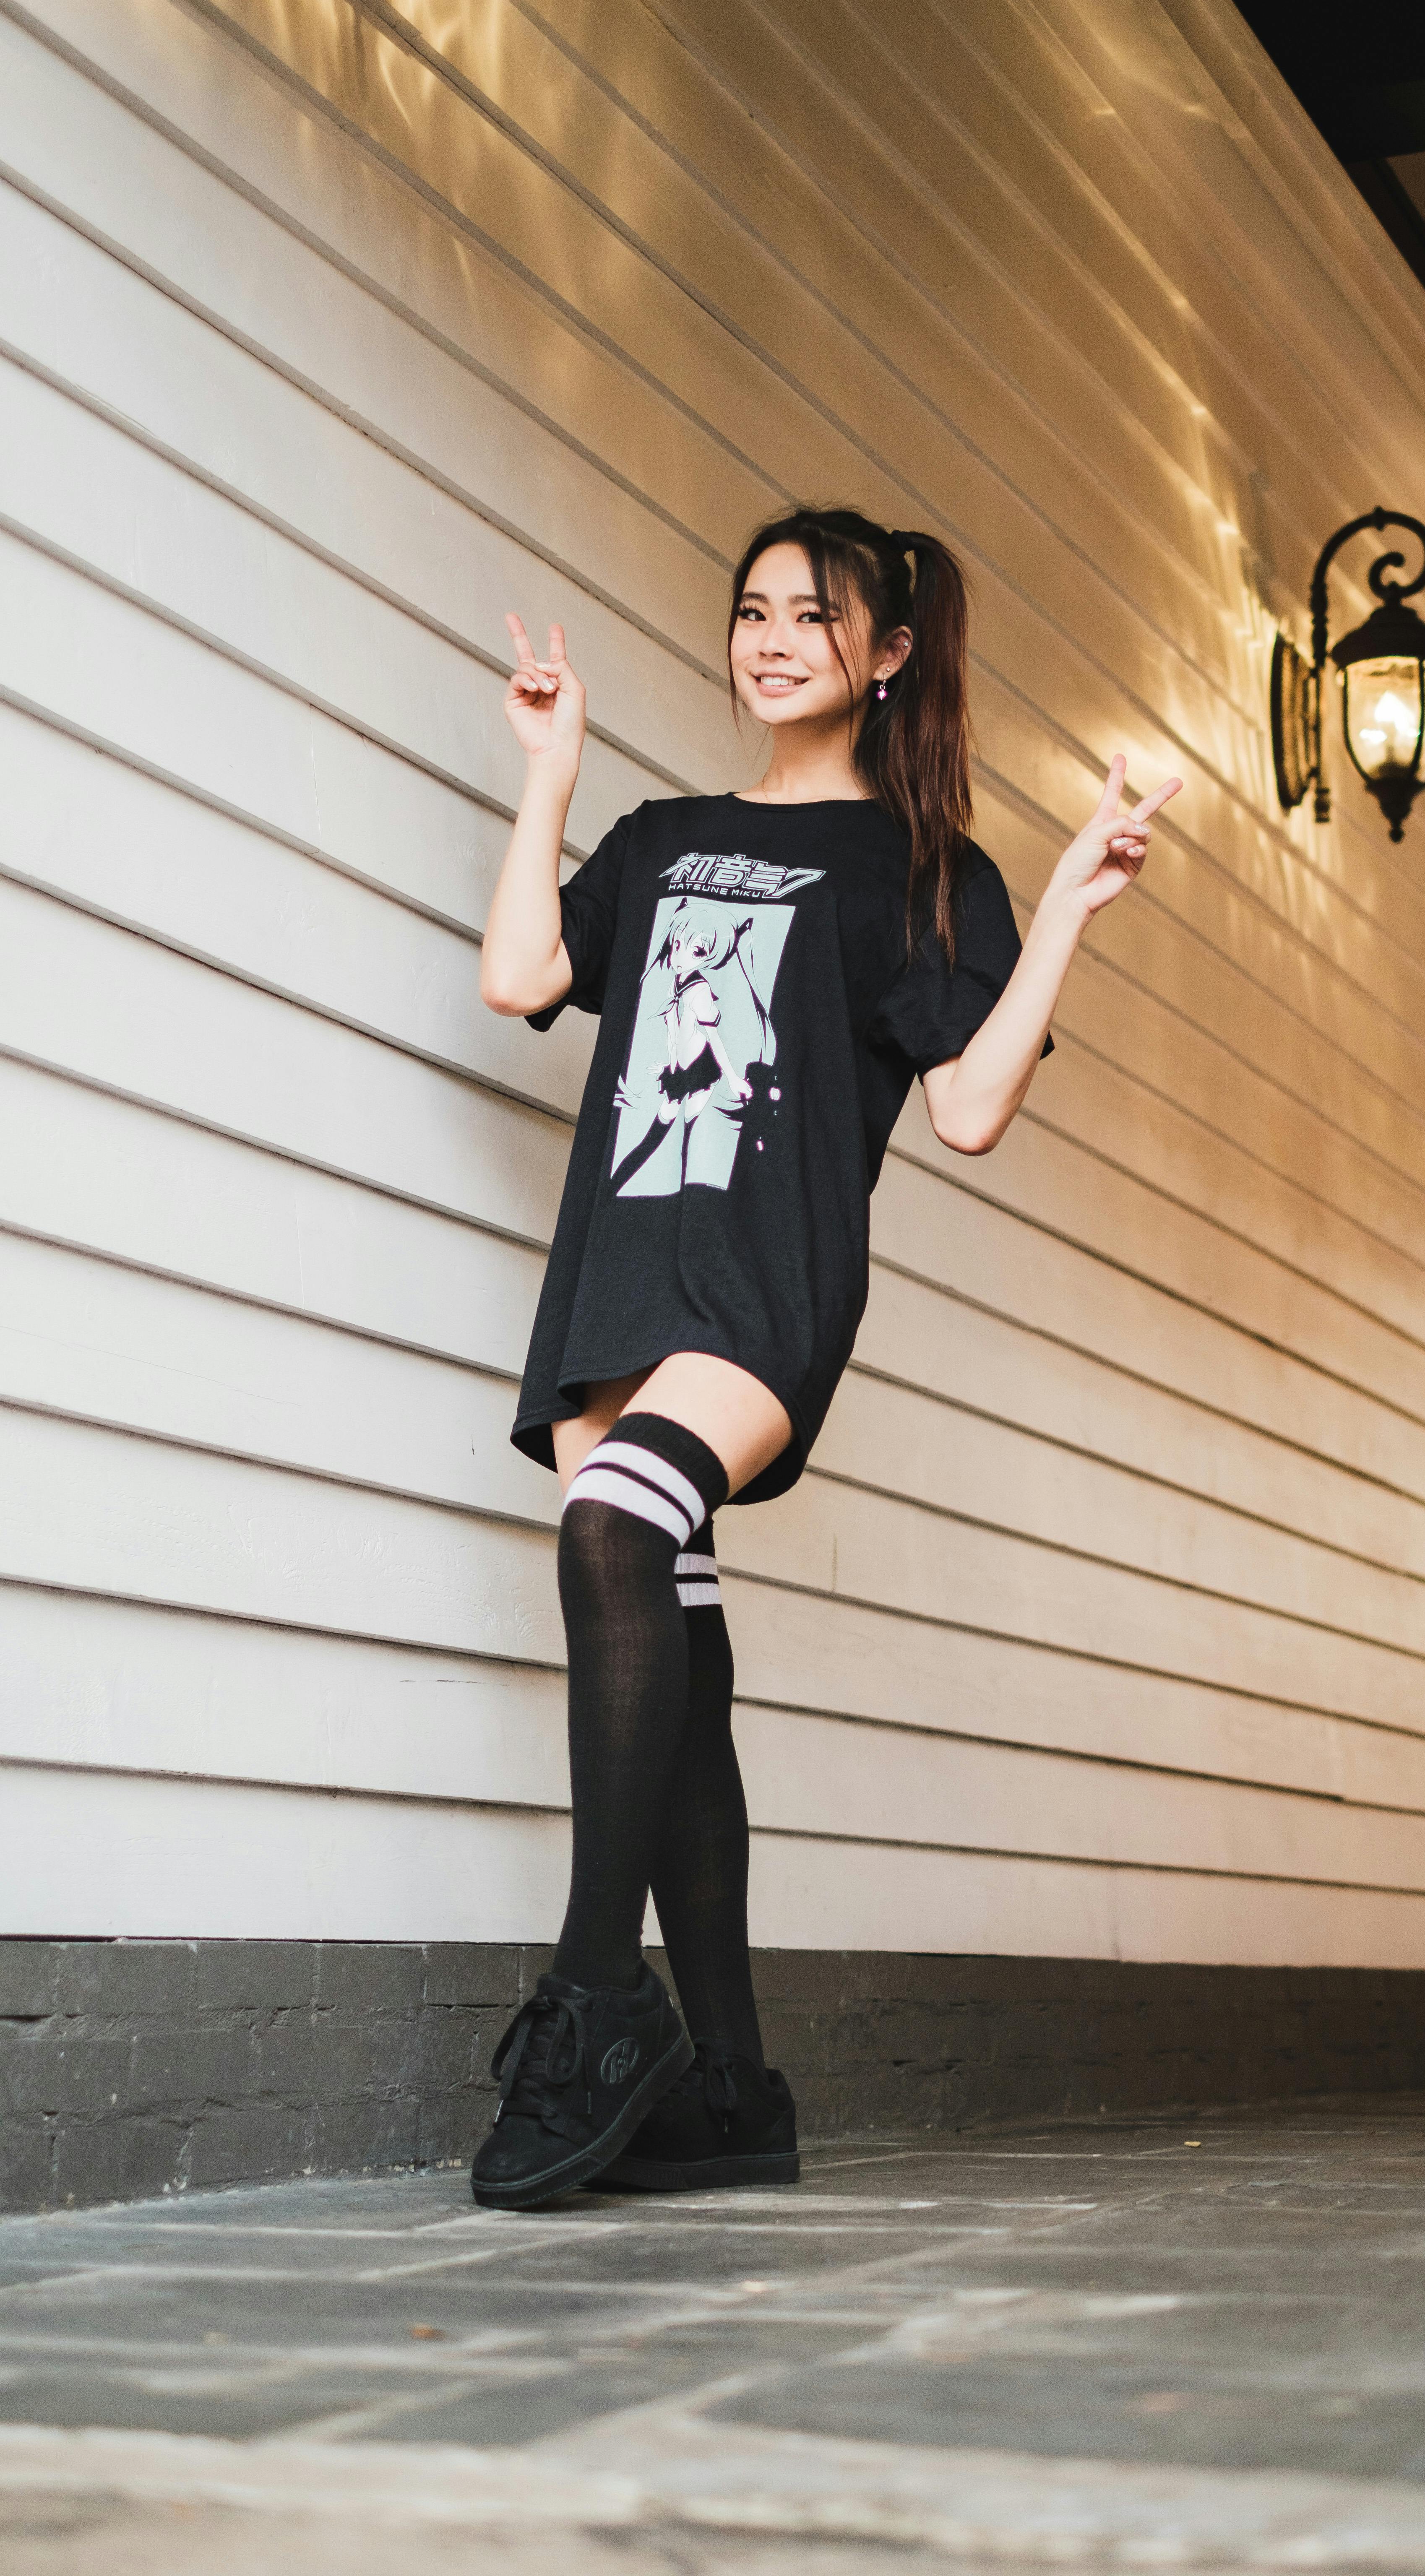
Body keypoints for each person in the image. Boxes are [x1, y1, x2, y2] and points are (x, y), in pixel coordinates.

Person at [472, 506, 1181, 2209]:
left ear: (884, 655)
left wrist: (1073, 905)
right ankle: (733, 2093)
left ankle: (590, 1999)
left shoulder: (922, 871)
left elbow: (970, 1108)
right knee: (679, 1653)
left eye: (814, 615)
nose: (773, 638)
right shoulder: (662, 835)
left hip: (760, 1285)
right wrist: (551, 771)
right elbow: (516, 978)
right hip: (618, 1272)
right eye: (752, 611)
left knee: (613, 1536)